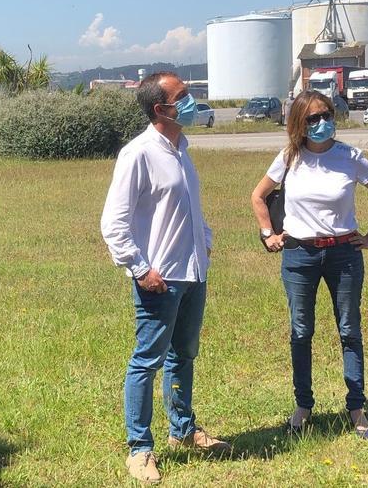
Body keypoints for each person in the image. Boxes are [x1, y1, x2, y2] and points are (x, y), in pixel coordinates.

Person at [101, 72, 231, 484]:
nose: (192, 102)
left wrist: (205, 241)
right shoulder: (138, 154)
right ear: (161, 109)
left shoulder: (181, 150)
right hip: (160, 279)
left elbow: (189, 208)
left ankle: (184, 431)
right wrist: (140, 268)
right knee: (147, 361)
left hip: (192, 272)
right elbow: (114, 222)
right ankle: (139, 449)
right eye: (184, 96)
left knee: (184, 355)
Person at [249, 91, 368, 438]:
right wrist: (268, 232)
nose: (321, 123)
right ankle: (303, 406)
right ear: (299, 123)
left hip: (344, 254)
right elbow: (258, 195)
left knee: (349, 330)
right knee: (301, 332)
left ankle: (356, 408)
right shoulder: (289, 157)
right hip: (299, 255)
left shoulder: (350, 156)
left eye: (326, 115)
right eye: (312, 118)